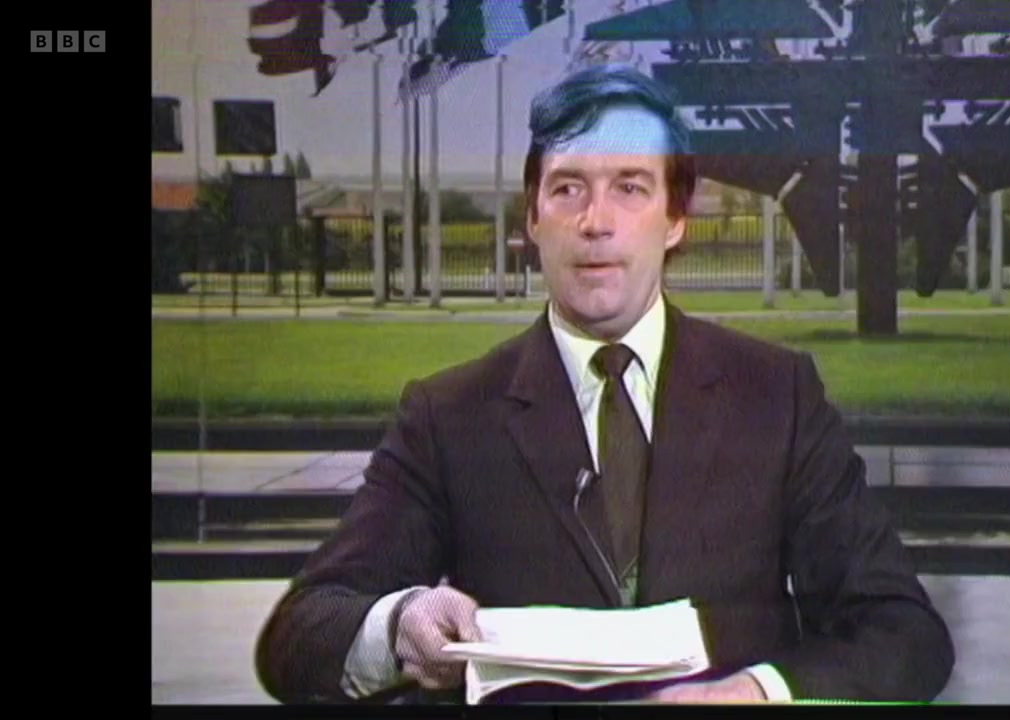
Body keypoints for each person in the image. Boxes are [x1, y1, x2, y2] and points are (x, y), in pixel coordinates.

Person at [254, 63, 954, 704]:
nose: (595, 222)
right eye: (567, 189)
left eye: (630, 187)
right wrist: (399, 623)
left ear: (675, 218)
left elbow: (904, 632)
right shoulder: (449, 414)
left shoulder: (777, 396)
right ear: (533, 218)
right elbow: (297, 636)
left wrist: (755, 693)